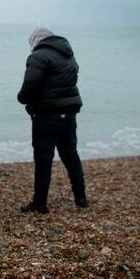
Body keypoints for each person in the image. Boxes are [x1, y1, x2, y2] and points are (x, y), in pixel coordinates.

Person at [17, 27, 88, 214]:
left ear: (35, 41)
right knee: (71, 155)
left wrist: (22, 98)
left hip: (46, 116)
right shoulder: (68, 55)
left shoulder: (38, 56)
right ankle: (81, 197)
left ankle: (40, 202)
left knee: (43, 159)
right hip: (69, 114)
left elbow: (30, 84)